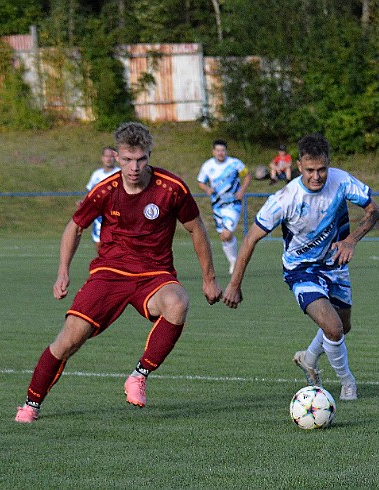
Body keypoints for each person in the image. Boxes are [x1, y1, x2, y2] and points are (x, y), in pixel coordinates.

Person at [14, 122, 223, 423]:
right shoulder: (105, 190)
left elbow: (196, 228)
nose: (134, 167)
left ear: (149, 155)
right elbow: (75, 226)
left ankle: (139, 376)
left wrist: (210, 279)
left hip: (154, 274)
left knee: (178, 302)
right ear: (116, 156)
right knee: (70, 339)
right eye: (127, 159)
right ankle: (30, 405)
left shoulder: (171, 188)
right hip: (109, 273)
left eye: (140, 159)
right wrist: (63, 272)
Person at [222, 133, 379, 402]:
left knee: (343, 326)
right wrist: (234, 285)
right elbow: (250, 238)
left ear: (328, 164)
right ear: (299, 166)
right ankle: (347, 383)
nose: (317, 176)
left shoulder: (341, 181)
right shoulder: (285, 198)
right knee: (333, 328)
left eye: (322, 169)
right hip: (301, 270)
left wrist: (351, 240)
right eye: (310, 170)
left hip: (335, 264)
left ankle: (308, 358)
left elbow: (374, 211)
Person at [197, 139, 251, 274]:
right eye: (218, 150)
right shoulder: (208, 166)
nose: (220, 153)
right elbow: (200, 181)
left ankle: (234, 262)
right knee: (223, 236)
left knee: (227, 233)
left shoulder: (235, 164)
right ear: (213, 151)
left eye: (223, 150)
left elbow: (247, 175)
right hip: (217, 205)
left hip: (233, 204)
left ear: (226, 151)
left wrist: (242, 190)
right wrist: (207, 189)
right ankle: (233, 260)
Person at [85, 146, 120, 252]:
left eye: (111, 156)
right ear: (102, 158)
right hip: (99, 215)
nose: (108, 159)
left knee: (117, 242)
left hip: (116, 214)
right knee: (99, 242)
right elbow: (90, 193)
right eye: (106, 156)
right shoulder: (97, 174)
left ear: (116, 158)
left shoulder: (120, 173)